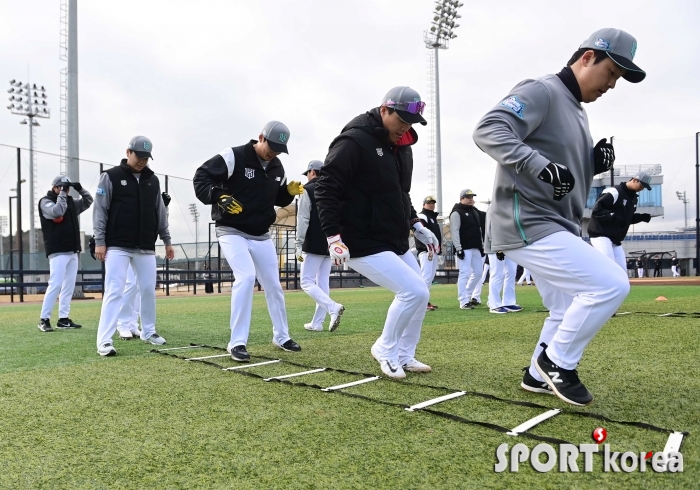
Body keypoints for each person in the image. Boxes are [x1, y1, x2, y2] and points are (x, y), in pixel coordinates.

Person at [473, 28, 645, 406]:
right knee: (611, 285)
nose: (612, 85)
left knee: (566, 308)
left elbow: (561, 175)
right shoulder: (543, 90)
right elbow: (488, 129)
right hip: (528, 221)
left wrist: (591, 165)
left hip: (555, 224)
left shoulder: (576, 110)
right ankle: (557, 362)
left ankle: (537, 375)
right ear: (587, 57)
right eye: (611, 73)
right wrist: (538, 163)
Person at [315, 86, 439, 379]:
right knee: (414, 290)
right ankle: (385, 348)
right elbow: (325, 188)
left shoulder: (403, 146)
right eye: (402, 120)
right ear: (385, 110)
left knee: (421, 295)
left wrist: (417, 224)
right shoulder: (354, 141)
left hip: (392, 238)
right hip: (359, 238)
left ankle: (404, 355)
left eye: (411, 123)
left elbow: (400, 193)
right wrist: (333, 236)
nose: (405, 128)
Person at [194, 121, 304, 362]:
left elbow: (275, 196)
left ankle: (282, 336)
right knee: (245, 276)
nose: (273, 152)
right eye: (271, 146)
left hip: (260, 233)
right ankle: (237, 342)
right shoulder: (233, 156)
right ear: (260, 137)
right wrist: (218, 196)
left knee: (274, 285)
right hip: (231, 230)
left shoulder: (277, 167)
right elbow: (201, 178)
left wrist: (287, 193)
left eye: (279, 148)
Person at [93, 136, 174, 356]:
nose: (143, 161)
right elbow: (100, 211)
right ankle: (105, 340)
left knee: (148, 289)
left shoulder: (153, 180)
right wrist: (100, 241)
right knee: (114, 290)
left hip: (146, 246)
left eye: (146, 157)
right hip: (117, 244)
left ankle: (149, 331)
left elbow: (160, 212)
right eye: (139, 156)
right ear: (128, 152)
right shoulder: (110, 176)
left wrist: (166, 240)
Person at [37, 176, 93, 332]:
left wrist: (80, 189)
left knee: (69, 286)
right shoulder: (45, 201)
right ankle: (44, 319)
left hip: (72, 250)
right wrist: (62, 193)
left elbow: (88, 201)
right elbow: (57, 211)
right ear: (55, 187)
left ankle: (63, 319)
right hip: (57, 250)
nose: (66, 191)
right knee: (55, 284)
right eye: (62, 187)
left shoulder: (70, 202)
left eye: (67, 188)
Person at [295, 160, 344, 332]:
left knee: (306, 282)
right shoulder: (334, 189)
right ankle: (317, 323)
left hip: (313, 242)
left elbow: (303, 219)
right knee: (322, 282)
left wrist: (298, 243)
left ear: (312, 172)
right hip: (330, 241)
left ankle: (333, 308)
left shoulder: (307, 189)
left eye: (307, 173)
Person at [117, 191, 172, 340]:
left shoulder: (150, 190)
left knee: (143, 288)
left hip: (145, 247)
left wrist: (164, 207)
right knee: (131, 285)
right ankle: (123, 324)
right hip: (126, 245)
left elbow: (160, 222)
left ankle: (133, 324)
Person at [587, 171, 652, 270]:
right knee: (609, 267)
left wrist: (641, 217)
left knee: (622, 271)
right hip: (600, 234)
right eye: (642, 185)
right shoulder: (614, 192)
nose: (642, 189)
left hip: (615, 239)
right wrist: (615, 217)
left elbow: (626, 219)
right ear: (635, 180)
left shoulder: (633, 199)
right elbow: (597, 211)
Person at [450, 189, 484, 309]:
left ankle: (467, 294)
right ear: (461, 198)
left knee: (479, 273)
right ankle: (463, 300)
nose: (471, 199)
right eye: (468, 197)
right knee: (464, 273)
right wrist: (458, 248)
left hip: (476, 247)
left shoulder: (474, 212)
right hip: (464, 248)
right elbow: (454, 231)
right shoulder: (456, 213)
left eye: (472, 197)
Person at [416, 196, 442, 310]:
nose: (431, 205)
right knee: (426, 277)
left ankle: (425, 301)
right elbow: (420, 233)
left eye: (433, 203)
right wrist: (427, 248)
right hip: (426, 251)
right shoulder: (422, 216)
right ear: (424, 204)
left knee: (429, 277)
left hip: (433, 251)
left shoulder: (431, 217)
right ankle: (421, 303)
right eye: (429, 203)